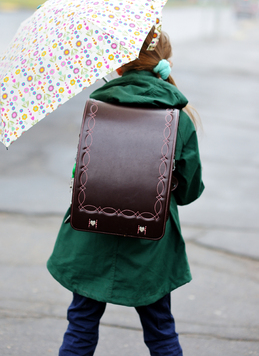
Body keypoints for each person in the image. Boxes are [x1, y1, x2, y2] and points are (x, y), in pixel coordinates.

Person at [47, 28, 204, 356]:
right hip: (150, 246)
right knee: (161, 331)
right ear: (164, 63)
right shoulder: (180, 119)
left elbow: (81, 178)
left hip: (91, 238)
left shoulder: (96, 108)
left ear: (118, 66)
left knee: (81, 324)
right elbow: (189, 191)